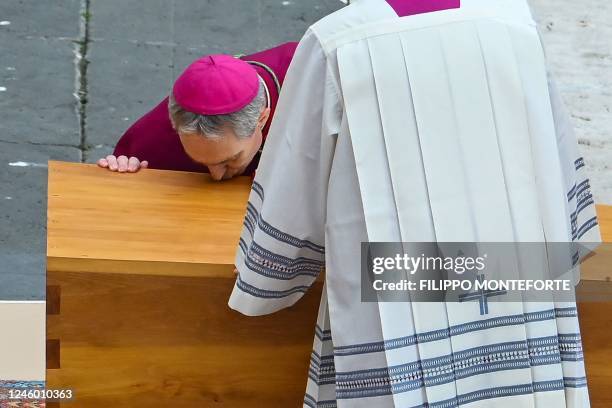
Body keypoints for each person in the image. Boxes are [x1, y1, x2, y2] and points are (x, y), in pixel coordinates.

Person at [227, 0, 601, 407]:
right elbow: (555, 151)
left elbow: (295, 177)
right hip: (509, 278)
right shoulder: (512, 17)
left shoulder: (336, 41)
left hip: (398, 286)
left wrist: (266, 275)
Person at [97, 42, 297, 180]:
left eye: (230, 160)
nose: (216, 176)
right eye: (200, 161)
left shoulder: (311, 80)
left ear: (262, 119)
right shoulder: (157, 137)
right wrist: (123, 170)